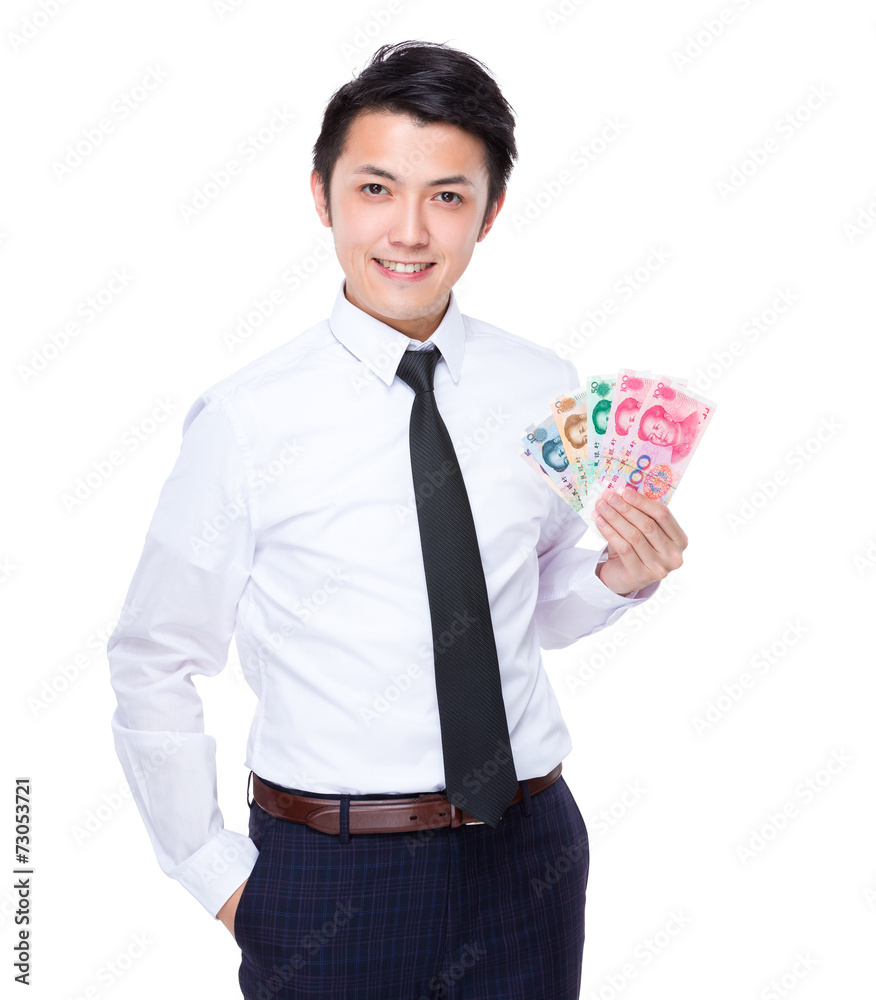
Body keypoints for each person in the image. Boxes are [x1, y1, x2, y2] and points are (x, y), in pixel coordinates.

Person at [107, 39, 688, 999]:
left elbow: (523, 601)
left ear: (490, 212)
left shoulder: (540, 388)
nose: (410, 231)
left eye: (448, 196)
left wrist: (618, 579)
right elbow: (155, 656)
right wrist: (222, 882)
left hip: (530, 855)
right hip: (329, 873)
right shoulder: (247, 420)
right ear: (322, 195)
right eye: (377, 189)